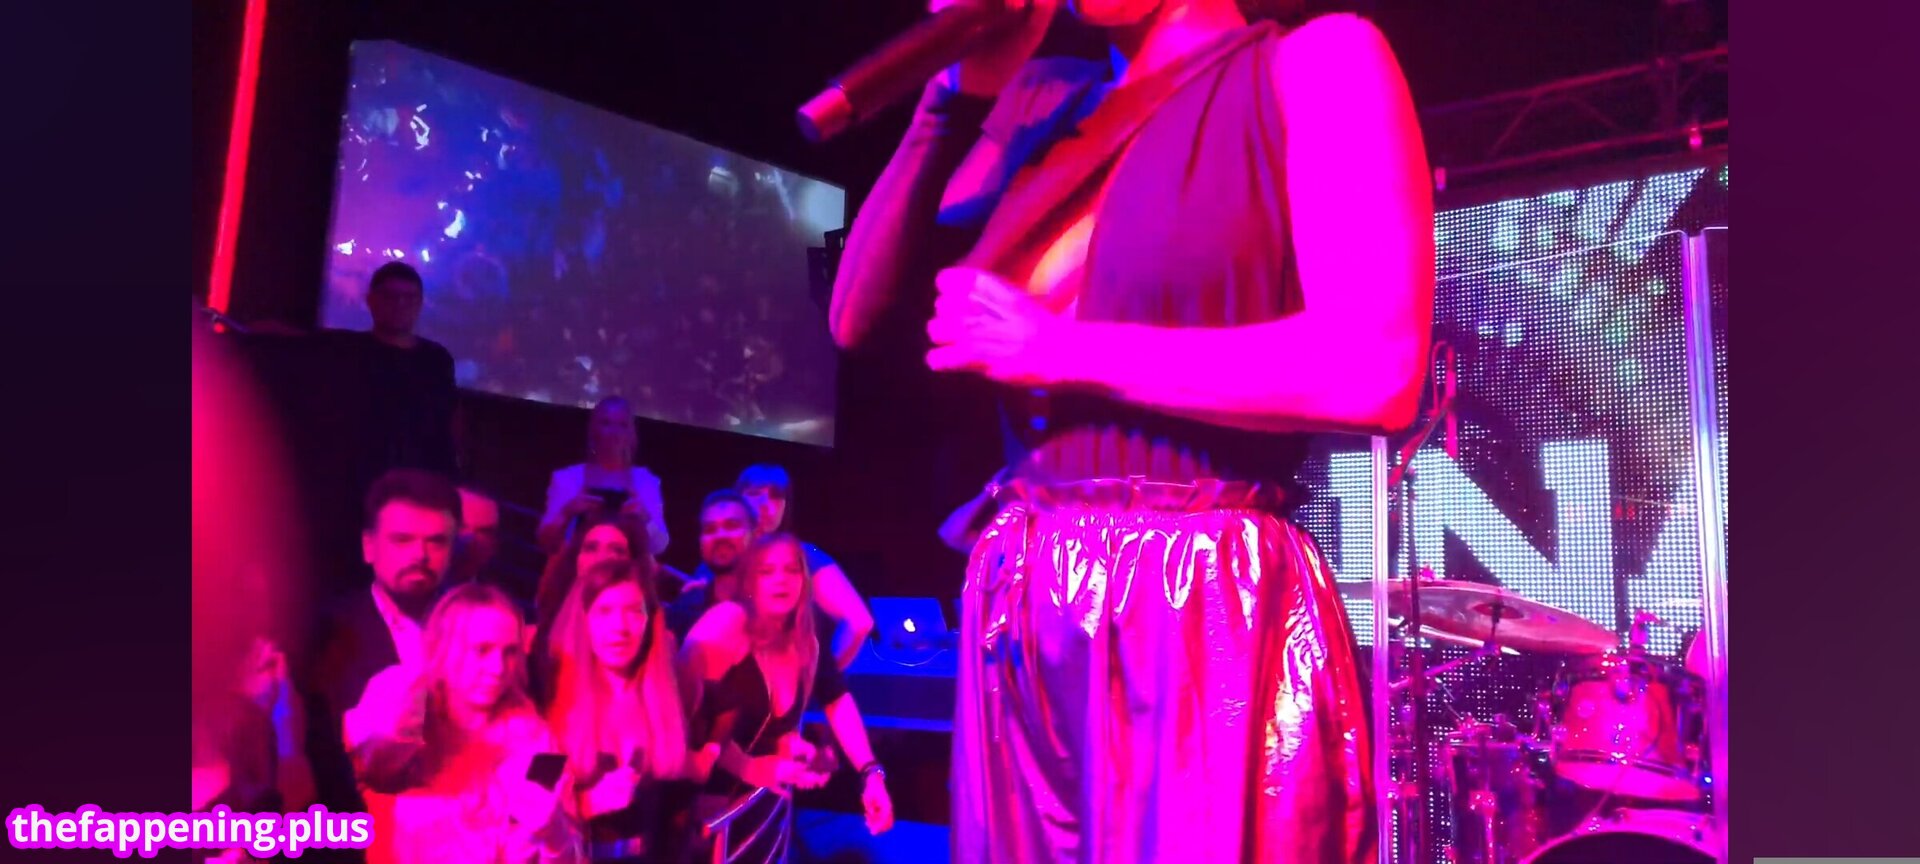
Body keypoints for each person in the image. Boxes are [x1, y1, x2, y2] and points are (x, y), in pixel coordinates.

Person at [830, 0, 1435, 859]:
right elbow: (857, 319)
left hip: (1196, 596)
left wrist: (1063, 350)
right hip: (1026, 598)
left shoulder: (1316, 63)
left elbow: (1375, 366)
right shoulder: (1047, 103)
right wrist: (947, 96)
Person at [679, 534, 894, 864]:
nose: (781, 580)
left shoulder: (804, 637)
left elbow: (836, 699)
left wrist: (870, 774)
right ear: (749, 581)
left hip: (760, 813)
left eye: (792, 570)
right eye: (767, 571)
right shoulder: (726, 624)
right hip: (703, 817)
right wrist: (748, 767)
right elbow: (683, 716)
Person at [344, 584, 583, 864]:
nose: (498, 668)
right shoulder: (406, 716)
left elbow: (572, 856)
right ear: (445, 648)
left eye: (509, 652)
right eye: (482, 650)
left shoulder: (539, 743)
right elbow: (367, 759)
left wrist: (554, 834)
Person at [304, 468, 464, 817]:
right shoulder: (325, 634)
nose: (420, 555)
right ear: (369, 547)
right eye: (402, 540)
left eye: (436, 542)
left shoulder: (477, 627)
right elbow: (309, 754)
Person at [545, 559, 695, 863]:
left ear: (649, 622)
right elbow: (530, 807)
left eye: (633, 611)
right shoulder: (557, 706)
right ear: (584, 620)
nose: (620, 627)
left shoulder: (662, 701)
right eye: (604, 612)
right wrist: (586, 804)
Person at [326, 261, 460, 481]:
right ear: (371, 300)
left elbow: (446, 426)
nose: (400, 304)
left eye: (409, 298)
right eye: (390, 296)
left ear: (420, 303)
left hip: (420, 482)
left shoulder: (437, 360)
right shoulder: (347, 351)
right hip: (356, 479)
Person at [735, 464, 875, 668]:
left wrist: (821, 678)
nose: (765, 504)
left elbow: (859, 622)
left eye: (776, 496)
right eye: (755, 494)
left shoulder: (804, 555)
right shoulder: (722, 559)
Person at [537, 397, 669, 557]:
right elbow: (545, 541)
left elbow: (659, 546)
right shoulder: (567, 479)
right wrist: (567, 513)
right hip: (576, 568)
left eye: (622, 425)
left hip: (627, 570)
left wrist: (645, 518)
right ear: (593, 430)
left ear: (631, 434)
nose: (614, 432)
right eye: (606, 423)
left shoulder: (646, 482)